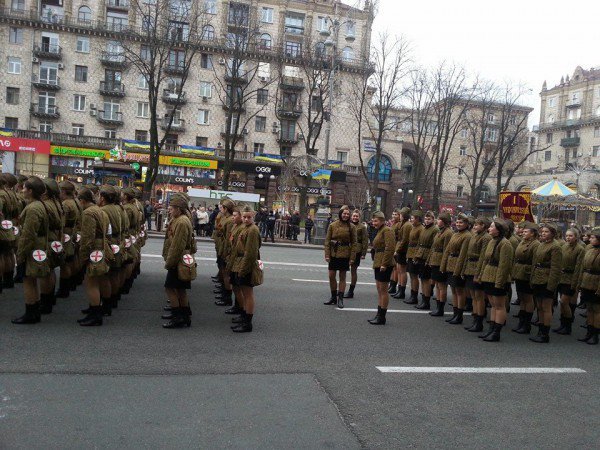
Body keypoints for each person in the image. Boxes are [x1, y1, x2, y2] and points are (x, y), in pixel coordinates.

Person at [12, 177, 49, 324]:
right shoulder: (40, 204)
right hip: (37, 245)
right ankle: (34, 311)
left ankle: (30, 313)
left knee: (28, 280)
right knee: (32, 280)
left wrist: (20, 254)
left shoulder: (33, 208)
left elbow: (28, 233)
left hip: (32, 247)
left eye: (25, 188)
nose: (22, 190)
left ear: (31, 191)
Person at [474, 220, 514, 342]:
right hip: (489, 276)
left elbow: (504, 265)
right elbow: (485, 260)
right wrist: (481, 275)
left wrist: (499, 282)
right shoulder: (492, 241)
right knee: (492, 305)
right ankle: (491, 330)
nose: (489, 229)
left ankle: (496, 332)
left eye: (492, 227)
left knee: (499, 306)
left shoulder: (505, 244)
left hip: (498, 278)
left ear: (499, 229)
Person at [76, 188, 111, 326]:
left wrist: (83, 256)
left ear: (83, 200)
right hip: (101, 247)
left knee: (91, 283)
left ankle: (95, 315)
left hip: (93, 249)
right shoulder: (100, 210)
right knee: (97, 281)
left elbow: (87, 237)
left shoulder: (88, 213)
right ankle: (94, 310)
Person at [162, 194, 195, 328]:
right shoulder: (179, 219)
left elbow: (177, 245)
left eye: (172, 207)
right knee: (181, 289)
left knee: (170, 288)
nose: (169, 209)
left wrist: (170, 262)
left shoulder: (181, 222)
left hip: (178, 260)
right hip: (179, 259)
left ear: (179, 209)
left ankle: (177, 317)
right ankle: (185, 316)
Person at [529, 223, 563, 343]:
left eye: (546, 232)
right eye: (542, 231)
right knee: (539, 306)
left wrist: (551, 285)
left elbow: (556, 268)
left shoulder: (556, 247)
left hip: (547, 279)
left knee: (546, 307)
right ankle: (540, 329)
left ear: (553, 233)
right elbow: (535, 262)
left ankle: (545, 334)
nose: (543, 233)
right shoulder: (541, 244)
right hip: (538, 278)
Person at [230, 205, 262, 333]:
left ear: (253, 217)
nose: (246, 219)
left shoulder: (253, 230)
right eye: (244, 217)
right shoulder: (245, 228)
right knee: (243, 292)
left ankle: (247, 323)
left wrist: (243, 269)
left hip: (246, 264)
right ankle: (244, 317)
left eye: (249, 217)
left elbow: (250, 253)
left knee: (248, 294)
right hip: (240, 262)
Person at [460, 217, 492, 332]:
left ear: (483, 226)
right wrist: (464, 269)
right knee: (473, 296)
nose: (474, 227)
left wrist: (478, 274)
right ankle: (475, 319)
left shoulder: (486, 238)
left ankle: (479, 322)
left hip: (477, 268)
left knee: (479, 297)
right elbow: (468, 254)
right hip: (470, 267)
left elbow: (483, 257)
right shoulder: (475, 235)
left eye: (477, 225)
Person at [323, 205, 358, 309]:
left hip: (345, 254)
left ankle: (340, 299)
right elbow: (327, 241)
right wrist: (327, 254)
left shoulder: (351, 227)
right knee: (331, 275)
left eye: (348, 214)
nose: (346, 215)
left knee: (342, 277)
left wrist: (352, 258)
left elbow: (354, 243)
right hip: (333, 253)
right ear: (340, 214)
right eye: (344, 213)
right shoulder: (332, 225)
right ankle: (333, 297)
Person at [440, 213, 472, 324]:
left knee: (459, 291)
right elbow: (447, 250)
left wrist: (458, 271)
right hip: (451, 264)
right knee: (453, 290)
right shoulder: (455, 234)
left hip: (458, 265)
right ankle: (454, 313)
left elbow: (463, 255)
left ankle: (459, 315)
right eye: (457, 222)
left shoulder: (467, 236)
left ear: (466, 224)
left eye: (461, 222)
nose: (458, 224)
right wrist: (443, 265)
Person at [510, 222, 540, 335]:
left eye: (526, 231)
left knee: (528, 298)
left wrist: (532, 275)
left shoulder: (535, 244)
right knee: (522, 297)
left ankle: (526, 324)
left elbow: (534, 262)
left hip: (527, 273)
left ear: (532, 234)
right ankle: (521, 322)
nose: (523, 233)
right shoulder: (523, 241)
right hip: (519, 272)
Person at [39, 178, 64, 315]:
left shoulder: (46, 205)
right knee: (51, 270)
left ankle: (45, 302)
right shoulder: (57, 203)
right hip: (54, 237)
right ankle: (49, 299)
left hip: (47, 238)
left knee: (45, 273)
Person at [554, 228, 585, 335]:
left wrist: (575, 283)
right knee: (562, 304)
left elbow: (579, 268)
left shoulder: (580, 249)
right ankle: (562, 324)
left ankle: (568, 326)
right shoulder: (563, 246)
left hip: (571, 278)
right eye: (566, 235)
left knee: (564, 302)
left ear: (576, 237)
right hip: (561, 278)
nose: (568, 238)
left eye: (571, 236)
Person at [367, 211, 395, 325]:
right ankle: (379, 314)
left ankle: (382, 317)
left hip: (384, 263)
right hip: (378, 262)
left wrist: (384, 263)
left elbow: (390, 248)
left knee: (383, 290)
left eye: (376, 220)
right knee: (379, 289)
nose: (374, 223)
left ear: (383, 221)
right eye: (373, 221)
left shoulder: (387, 230)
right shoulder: (380, 230)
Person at [55, 180, 82, 299]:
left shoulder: (66, 204)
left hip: (67, 233)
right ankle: (72, 283)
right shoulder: (75, 201)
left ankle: (64, 289)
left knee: (65, 262)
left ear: (64, 191)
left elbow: (62, 222)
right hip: (74, 232)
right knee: (73, 258)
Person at [576, 227, 600, 344]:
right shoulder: (589, 250)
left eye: (593, 237)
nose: (590, 239)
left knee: (597, 310)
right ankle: (589, 333)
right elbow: (583, 267)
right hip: (587, 282)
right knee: (590, 309)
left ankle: (595, 335)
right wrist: (580, 283)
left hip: (596, 284)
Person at [427, 212, 453, 315]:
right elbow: (434, 247)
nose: (437, 221)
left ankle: (441, 308)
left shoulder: (448, 233)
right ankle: (438, 306)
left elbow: (447, 250)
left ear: (445, 221)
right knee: (437, 285)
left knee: (442, 286)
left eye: (439, 219)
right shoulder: (440, 231)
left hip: (441, 261)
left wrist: (443, 265)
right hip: (435, 260)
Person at [412, 211, 437, 309]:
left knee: (426, 279)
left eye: (429, 219)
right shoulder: (424, 229)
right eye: (426, 219)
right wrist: (416, 256)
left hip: (427, 256)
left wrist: (429, 259)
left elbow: (433, 246)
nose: (427, 221)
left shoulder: (435, 230)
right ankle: (423, 300)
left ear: (433, 219)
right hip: (421, 255)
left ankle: (426, 301)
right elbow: (419, 243)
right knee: (422, 278)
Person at [0, 174, 19, 294]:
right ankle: (8, 278)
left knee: (1, 255)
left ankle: (3, 281)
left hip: (2, 227)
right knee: (8, 254)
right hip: (9, 225)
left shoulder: (1, 194)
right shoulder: (10, 193)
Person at [345, 210, 368, 299]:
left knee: (353, 271)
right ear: (351, 216)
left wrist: (363, 253)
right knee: (343, 270)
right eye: (354, 216)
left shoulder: (362, 227)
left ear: (359, 217)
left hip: (357, 251)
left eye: (357, 216)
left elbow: (365, 240)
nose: (355, 217)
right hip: (346, 249)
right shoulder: (348, 225)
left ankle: (351, 291)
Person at [391, 207, 412, 300]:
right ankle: (399, 289)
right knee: (399, 270)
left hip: (403, 250)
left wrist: (397, 250)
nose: (399, 216)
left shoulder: (407, 225)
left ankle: (402, 290)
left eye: (400, 214)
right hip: (400, 249)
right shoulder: (403, 224)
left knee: (402, 271)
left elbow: (404, 240)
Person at [405, 210, 424, 305]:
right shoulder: (414, 227)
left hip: (415, 254)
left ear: (417, 219)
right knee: (411, 275)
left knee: (414, 276)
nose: (411, 220)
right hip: (410, 253)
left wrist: (416, 256)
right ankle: (412, 294)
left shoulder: (421, 229)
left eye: (413, 218)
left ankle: (415, 296)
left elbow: (419, 243)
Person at [387, 209, 403, 296]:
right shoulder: (393, 223)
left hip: (396, 245)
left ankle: (394, 286)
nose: (393, 216)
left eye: (396, 214)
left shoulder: (399, 224)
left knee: (396, 268)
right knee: (393, 267)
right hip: (392, 245)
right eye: (393, 214)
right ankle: (392, 284)